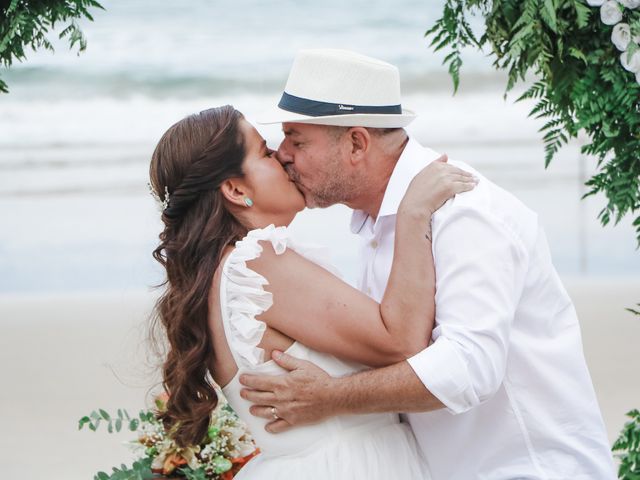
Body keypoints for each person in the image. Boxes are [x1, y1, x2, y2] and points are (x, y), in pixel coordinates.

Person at [239, 49, 617, 479]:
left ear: (357, 143)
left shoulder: (464, 212)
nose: (282, 153)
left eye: (296, 138)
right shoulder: (383, 221)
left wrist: (330, 397)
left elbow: (469, 367)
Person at [148, 105, 476, 478]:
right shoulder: (255, 264)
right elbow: (401, 341)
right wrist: (412, 212)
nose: (284, 158)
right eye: (266, 153)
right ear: (236, 189)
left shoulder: (221, 276)